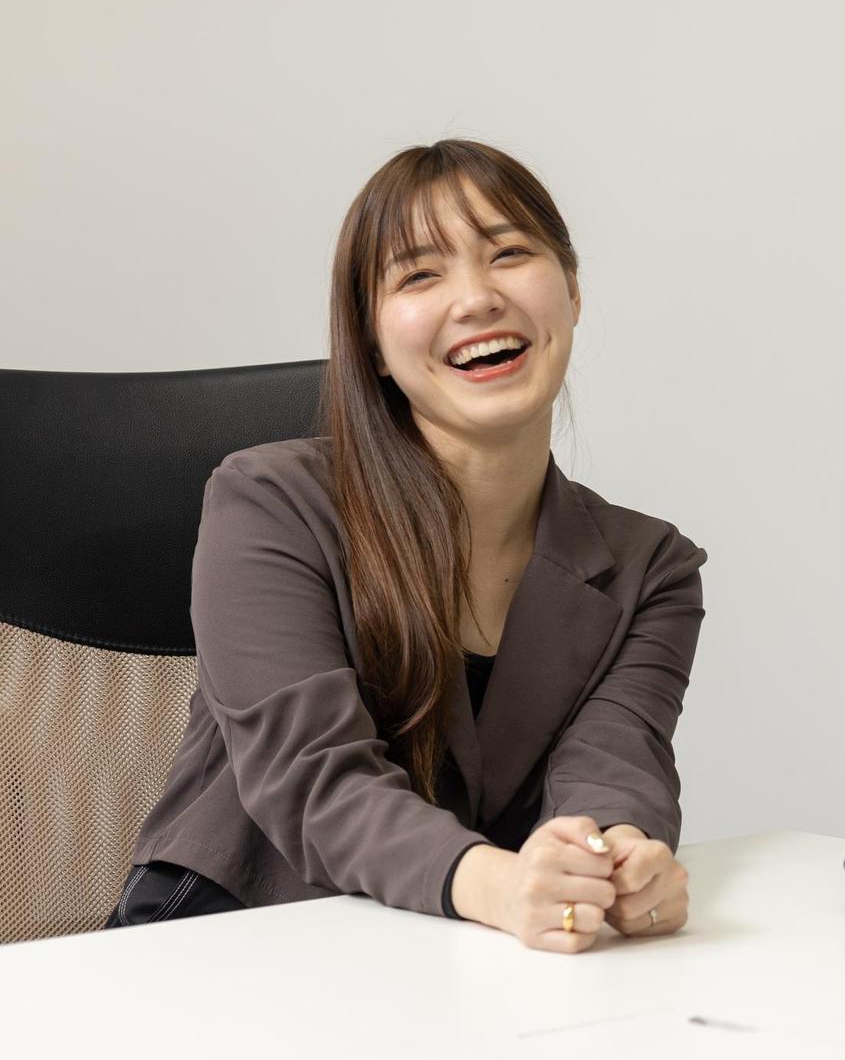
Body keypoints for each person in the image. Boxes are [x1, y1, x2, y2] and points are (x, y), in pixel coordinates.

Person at [110, 140, 703, 953]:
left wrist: (615, 862)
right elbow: (314, 777)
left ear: (571, 290)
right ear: (373, 345)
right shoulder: (270, 503)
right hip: (219, 944)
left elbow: (614, 764)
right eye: (420, 274)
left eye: (509, 253)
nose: (478, 297)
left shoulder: (651, 568)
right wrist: (500, 885)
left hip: (444, 959)